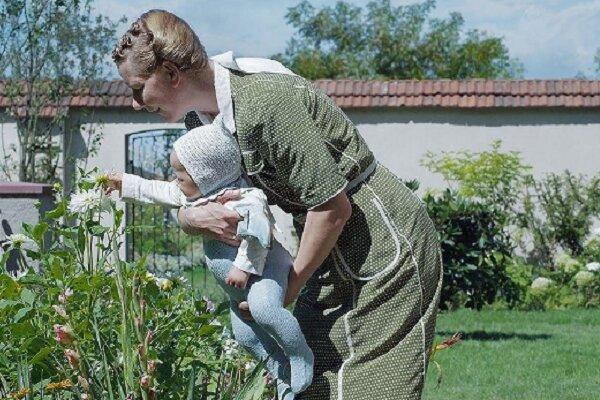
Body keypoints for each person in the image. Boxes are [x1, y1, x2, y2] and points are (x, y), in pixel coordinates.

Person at [112, 9, 443, 400]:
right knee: (311, 381)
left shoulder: (266, 102)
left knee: (372, 386)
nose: (135, 104)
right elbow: (197, 197)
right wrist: (189, 218)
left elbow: (333, 208)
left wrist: (291, 285)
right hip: (325, 246)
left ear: (171, 73)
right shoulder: (199, 125)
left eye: (138, 88)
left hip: (383, 240)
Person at [105, 116, 313, 399]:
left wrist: (242, 268)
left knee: (265, 310)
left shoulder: (246, 198)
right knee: (245, 336)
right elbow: (156, 190)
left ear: (207, 176)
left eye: (181, 176)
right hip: (235, 288)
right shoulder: (194, 195)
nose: (175, 182)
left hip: (264, 270)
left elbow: (259, 234)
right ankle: (278, 366)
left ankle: (300, 355)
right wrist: (124, 184)